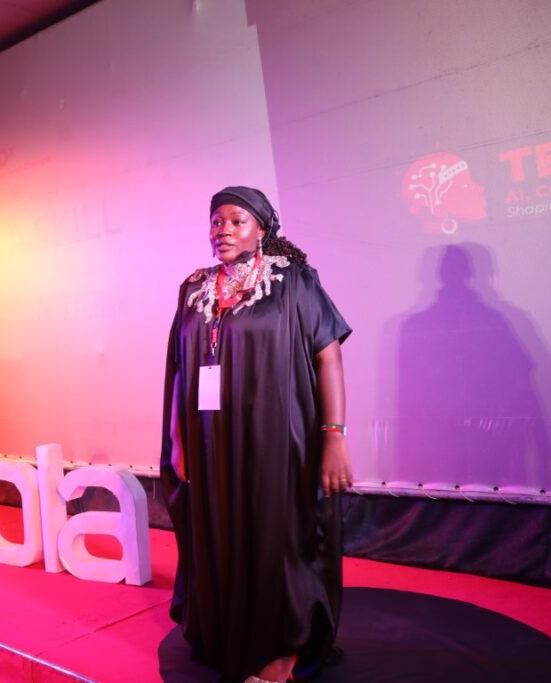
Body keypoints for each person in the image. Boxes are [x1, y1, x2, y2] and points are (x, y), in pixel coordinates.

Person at [160, 186, 353, 682]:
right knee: (219, 535)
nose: (222, 229)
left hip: (278, 439)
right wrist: (178, 440)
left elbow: (328, 354)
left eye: (236, 220)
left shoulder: (293, 281)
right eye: (216, 221)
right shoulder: (194, 288)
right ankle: (226, 636)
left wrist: (333, 436)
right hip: (211, 443)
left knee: (277, 539)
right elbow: (180, 368)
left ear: (262, 229)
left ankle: (280, 654)